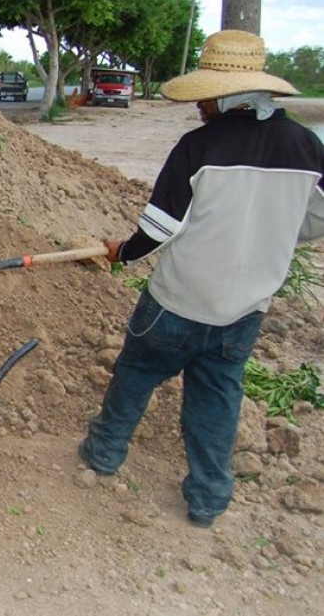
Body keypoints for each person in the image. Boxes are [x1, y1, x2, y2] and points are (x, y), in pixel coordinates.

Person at [77, 30, 324, 528]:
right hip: (246, 311)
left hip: (177, 303)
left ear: (221, 93)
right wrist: (264, 233)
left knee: (136, 373)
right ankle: (209, 497)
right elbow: (316, 219)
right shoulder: (307, 145)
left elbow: (157, 230)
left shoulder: (200, 147)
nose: (198, 106)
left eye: (204, 96)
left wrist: (120, 253)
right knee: (217, 397)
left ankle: (104, 454)